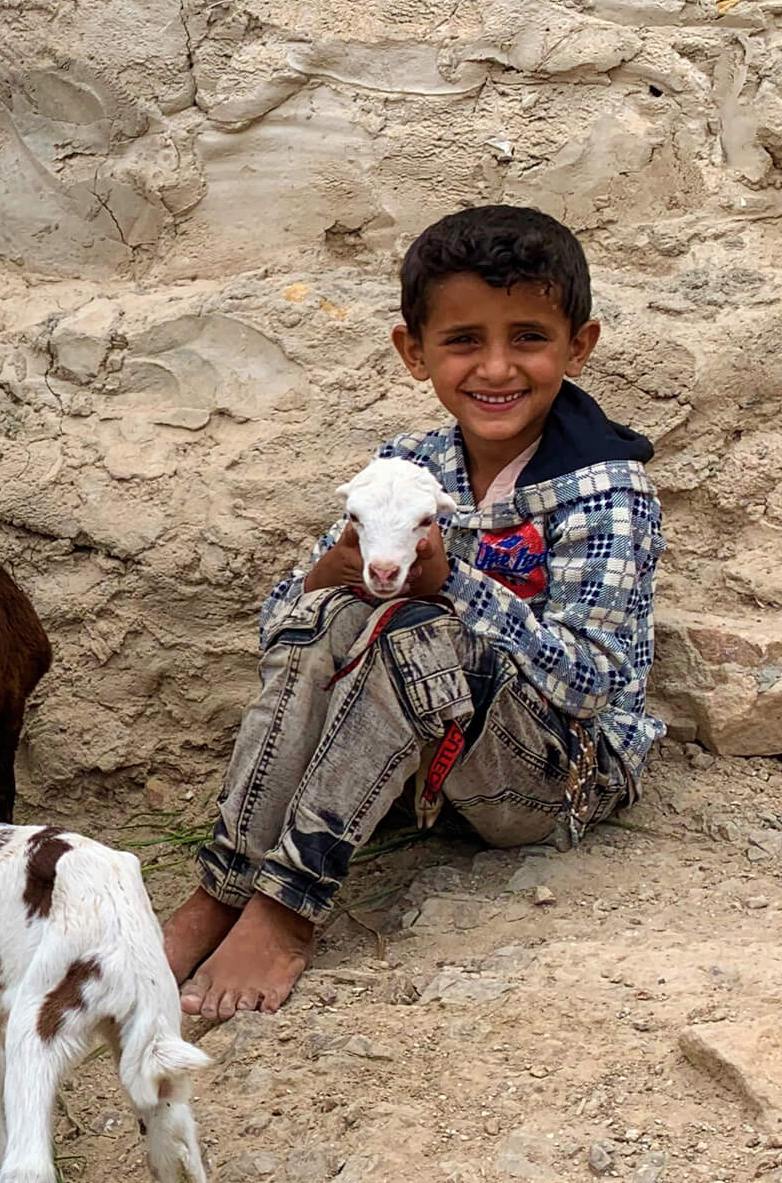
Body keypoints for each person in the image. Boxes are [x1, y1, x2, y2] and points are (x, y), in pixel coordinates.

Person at [163, 204, 664, 1021]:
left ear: (578, 346)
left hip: (550, 779)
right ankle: (224, 887)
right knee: (331, 616)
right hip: (424, 774)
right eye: (464, 340)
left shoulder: (607, 491)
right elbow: (281, 641)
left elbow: (594, 685)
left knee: (414, 627)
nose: (496, 368)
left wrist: (454, 586)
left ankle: (287, 908)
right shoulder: (407, 470)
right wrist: (333, 572)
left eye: (528, 338)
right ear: (412, 351)